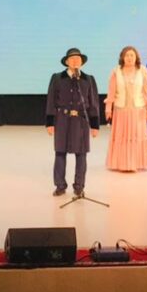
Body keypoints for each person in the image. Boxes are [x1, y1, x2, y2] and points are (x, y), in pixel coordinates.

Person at [45, 48, 100, 197]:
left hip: (81, 121)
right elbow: (51, 101)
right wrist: (50, 122)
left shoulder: (88, 79)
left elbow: (93, 103)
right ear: (67, 62)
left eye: (78, 59)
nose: (75, 61)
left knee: (81, 154)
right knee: (60, 152)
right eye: (72, 59)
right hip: (62, 120)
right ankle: (60, 185)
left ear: (82, 62)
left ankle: (79, 186)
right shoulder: (57, 78)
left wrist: (95, 125)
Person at [104, 46, 147, 171]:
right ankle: (122, 164)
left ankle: (135, 163)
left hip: (138, 110)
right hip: (121, 110)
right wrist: (108, 108)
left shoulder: (143, 70)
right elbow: (111, 92)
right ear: (122, 57)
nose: (129, 58)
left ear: (136, 57)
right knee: (121, 136)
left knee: (136, 136)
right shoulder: (116, 71)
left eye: (132, 55)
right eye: (127, 55)